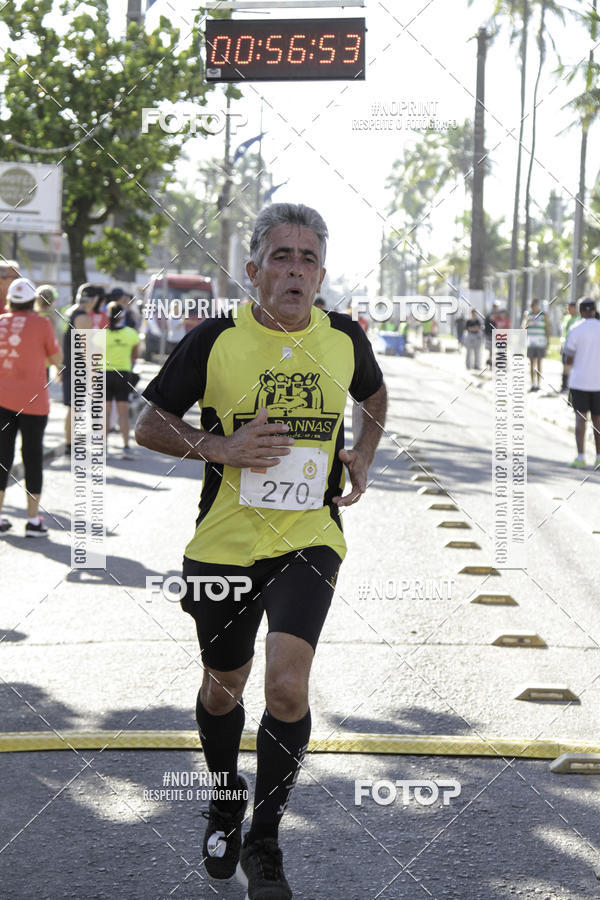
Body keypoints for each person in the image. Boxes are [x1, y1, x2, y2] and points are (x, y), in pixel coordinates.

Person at [136, 203, 387, 900]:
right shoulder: (215, 339)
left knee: (286, 685)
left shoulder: (344, 337)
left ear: (322, 276)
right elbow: (148, 424)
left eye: (309, 259)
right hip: (222, 545)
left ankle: (265, 838)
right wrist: (222, 447)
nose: (295, 271)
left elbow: (373, 395)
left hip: (309, 539)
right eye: (282, 257)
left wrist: (364, 452)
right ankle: (225, 800)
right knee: (224, 687)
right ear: (254, 270)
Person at [0, 278, 62, 536]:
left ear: (10, 300)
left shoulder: (1, 322)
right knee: (32, 457)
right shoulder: (42, 323)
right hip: (34, 402)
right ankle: (33, 521)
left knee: (2, 456)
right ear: (33, 300)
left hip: (2, 400)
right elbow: (56, 358)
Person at [62, 283, 103, 455]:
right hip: (78, 368)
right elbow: (85, 348)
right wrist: (93, 371)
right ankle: (70, 445)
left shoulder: (69, 312)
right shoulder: (83, 317)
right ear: (94, 299)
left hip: (69, 365)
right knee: (75, 408)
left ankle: (69, 444)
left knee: (73, 407)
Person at [564, 298, 600, 468]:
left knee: (580, 419)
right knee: (598, 420)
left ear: (580, 311)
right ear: (593, 310)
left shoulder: (575, 329)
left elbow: (568, 358)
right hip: (598, 383)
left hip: (579, 381)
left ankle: (580, 457)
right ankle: (598, 458)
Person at [104, 302, 139, 460]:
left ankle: (103, 448)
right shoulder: (131, 333)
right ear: (123, 316)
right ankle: (126, 448)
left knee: (105, 413)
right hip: (123, 375)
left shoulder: (101, 334)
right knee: (123, 414)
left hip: (105, 374)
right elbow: (135, 355)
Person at [522, 298, 550, 391]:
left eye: (535, 305)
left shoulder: (543, 315)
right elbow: (523, 328)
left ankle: (538, 384)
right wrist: (527, 321)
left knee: (539, 363)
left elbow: (547, 328)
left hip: (540, 342)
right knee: (531, 364)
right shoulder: (528, 314)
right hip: (531, 343)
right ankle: (532, 383)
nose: (534, 307)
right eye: (532, 305)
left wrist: (548, 341)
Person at [560, 300, 579, 392]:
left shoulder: (579, 318)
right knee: (565, 366)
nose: (569, 310)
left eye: (570, 308)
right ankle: (564, 385)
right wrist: (561, 346)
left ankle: (573, 386)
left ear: (575, 308)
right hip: (566, 345)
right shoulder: (566, 318)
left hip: (576, 346)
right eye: (568, 309)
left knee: (574, 366)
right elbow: (564, 332)